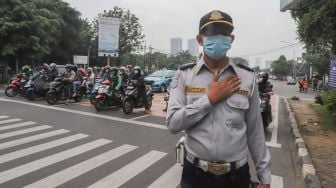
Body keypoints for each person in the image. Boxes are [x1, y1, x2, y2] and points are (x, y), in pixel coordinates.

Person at [166, 10, 271, 188]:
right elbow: (173, 124)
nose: (219, 38)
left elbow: (255, 132)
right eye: (212, 34)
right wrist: (210, 98)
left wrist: (265, 177)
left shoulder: (246, 77)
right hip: (196, 174)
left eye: (224, 34)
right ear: (200, 39)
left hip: (236, 176)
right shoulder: (184, 75)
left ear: (231, 39)